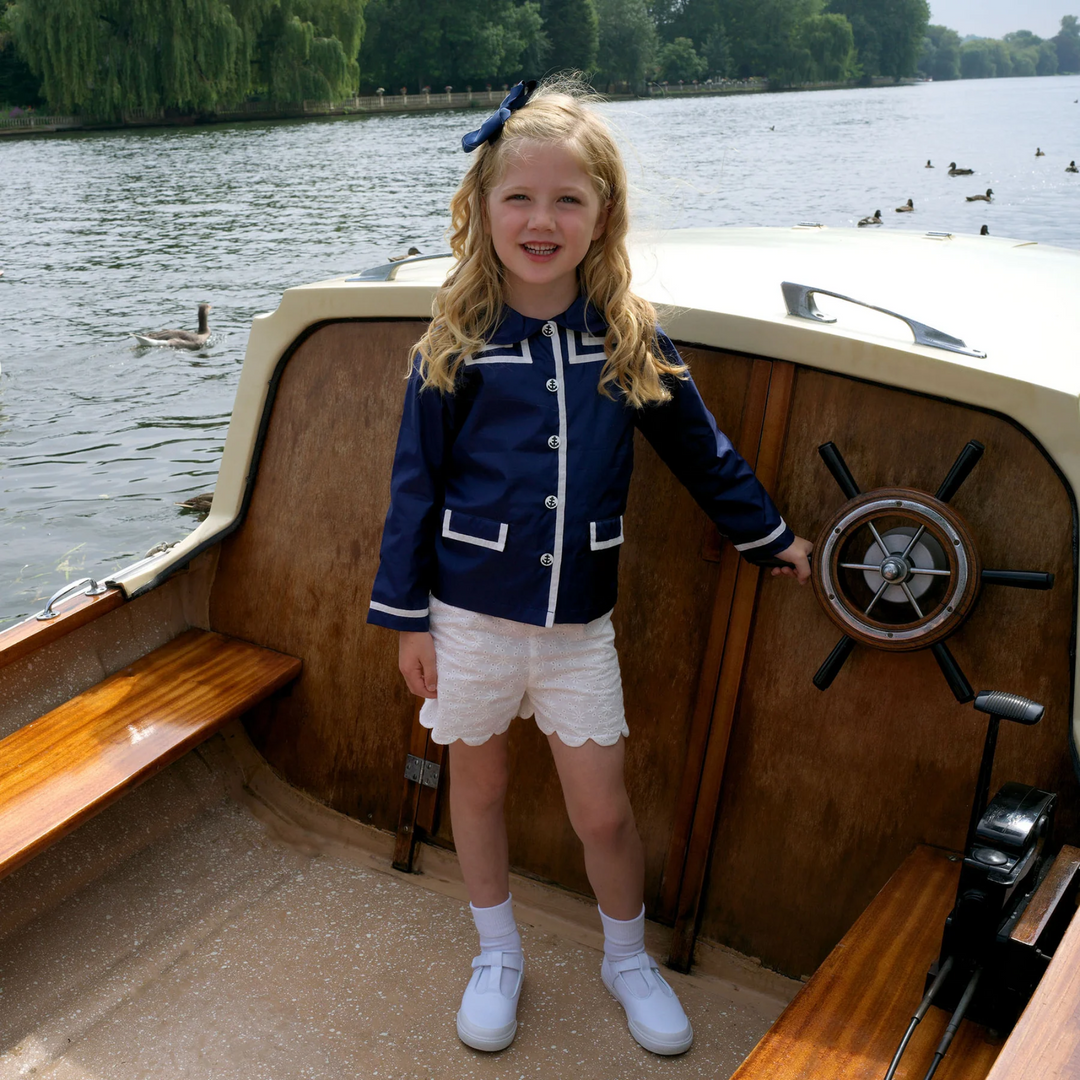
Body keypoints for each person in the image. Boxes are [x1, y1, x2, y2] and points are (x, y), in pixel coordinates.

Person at [367, 77, 813, 1058]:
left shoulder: (629, 337)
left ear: (603, 214)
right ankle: (497, 953)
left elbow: (704, 453)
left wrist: (769, 536)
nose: (542, 219)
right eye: (519, 198)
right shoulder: (453, 346)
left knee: (601, 809)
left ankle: (626, 955)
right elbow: (413, 490)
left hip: (579, 630)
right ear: (483, 209)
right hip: (468, 619)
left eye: (568, 199)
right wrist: (403, 618)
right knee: (474, 790)